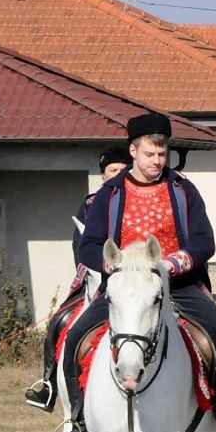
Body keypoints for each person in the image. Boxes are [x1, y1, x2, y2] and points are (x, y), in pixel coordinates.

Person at [50, 113, 216, 432]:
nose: (157, 161)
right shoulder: (110, 194)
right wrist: (114, 266)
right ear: (133, 151)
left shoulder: (183, 189)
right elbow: (88, 245)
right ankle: (79, 425)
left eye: (162, 154)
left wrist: (173, 263)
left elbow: (204, 241)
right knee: (75, 338)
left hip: (179, 283)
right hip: (124, 287)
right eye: (150, 154)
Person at [23, 146, 129, 411]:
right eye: (112, 170)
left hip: (135, 277)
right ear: (103, 175)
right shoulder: (91, 205)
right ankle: (49, 384)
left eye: (122, 169)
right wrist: (94, 270)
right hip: (97, 276)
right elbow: (81, 246)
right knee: (59, 322)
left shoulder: (137, 201)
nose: (118, 173)